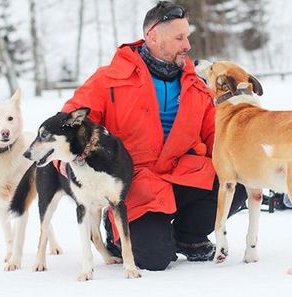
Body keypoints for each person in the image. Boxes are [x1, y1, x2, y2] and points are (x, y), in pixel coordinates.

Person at [60, 1, 247, 271]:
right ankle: (118, 233)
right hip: (133, 183)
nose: (187, 46)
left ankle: (189, 237)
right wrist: (74, 171)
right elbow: (66, 127)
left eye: (188, 37)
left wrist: (257, 160)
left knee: (235, 184)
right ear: (153, 36)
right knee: (155, 259)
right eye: (179, 38)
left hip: (181, 174)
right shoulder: (108, 80)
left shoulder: (196, 86)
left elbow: (221, 139)